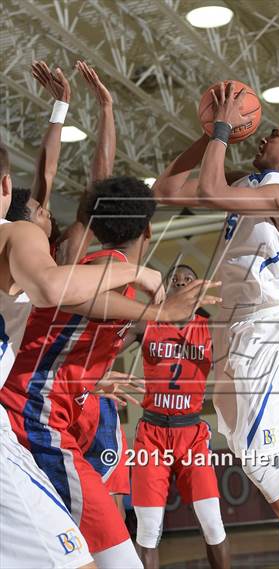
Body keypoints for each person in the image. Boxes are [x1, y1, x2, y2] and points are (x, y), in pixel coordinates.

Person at [152, 82, 279, 569]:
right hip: (230, 326)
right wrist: (206, 135)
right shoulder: (251, 183)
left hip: (262, 327)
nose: (262, 137)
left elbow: (210, 189)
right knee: (250, 454)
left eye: (274, 135)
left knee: (259, 457)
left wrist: (224, 127)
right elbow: (165, 191)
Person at [1, 174, 220, 569]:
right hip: (35, 417)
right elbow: (80, 307)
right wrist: (162, 313)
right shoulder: (110, 267)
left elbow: (57, 335)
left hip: (51, 412)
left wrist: (89, 376)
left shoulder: (102, 269)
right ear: (149, 230)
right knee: (117, 554)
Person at [0, 139, 156, 569]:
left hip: (67, 395)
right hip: (36, 410)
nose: (46, 213)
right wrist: (158, 307)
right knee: (97, 543)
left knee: (104, 522)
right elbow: (64, 297)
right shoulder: (70, 261)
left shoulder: (50, 254)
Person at [125, 264, 230, 569]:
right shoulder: (146, 323)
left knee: (213, 524)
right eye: (176, 281)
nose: (183, 285)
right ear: (167, 290)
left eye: (189, 280)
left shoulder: (210, 328)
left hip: (191, 434)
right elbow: (103, 352)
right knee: (148, 531)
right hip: (152, 435)